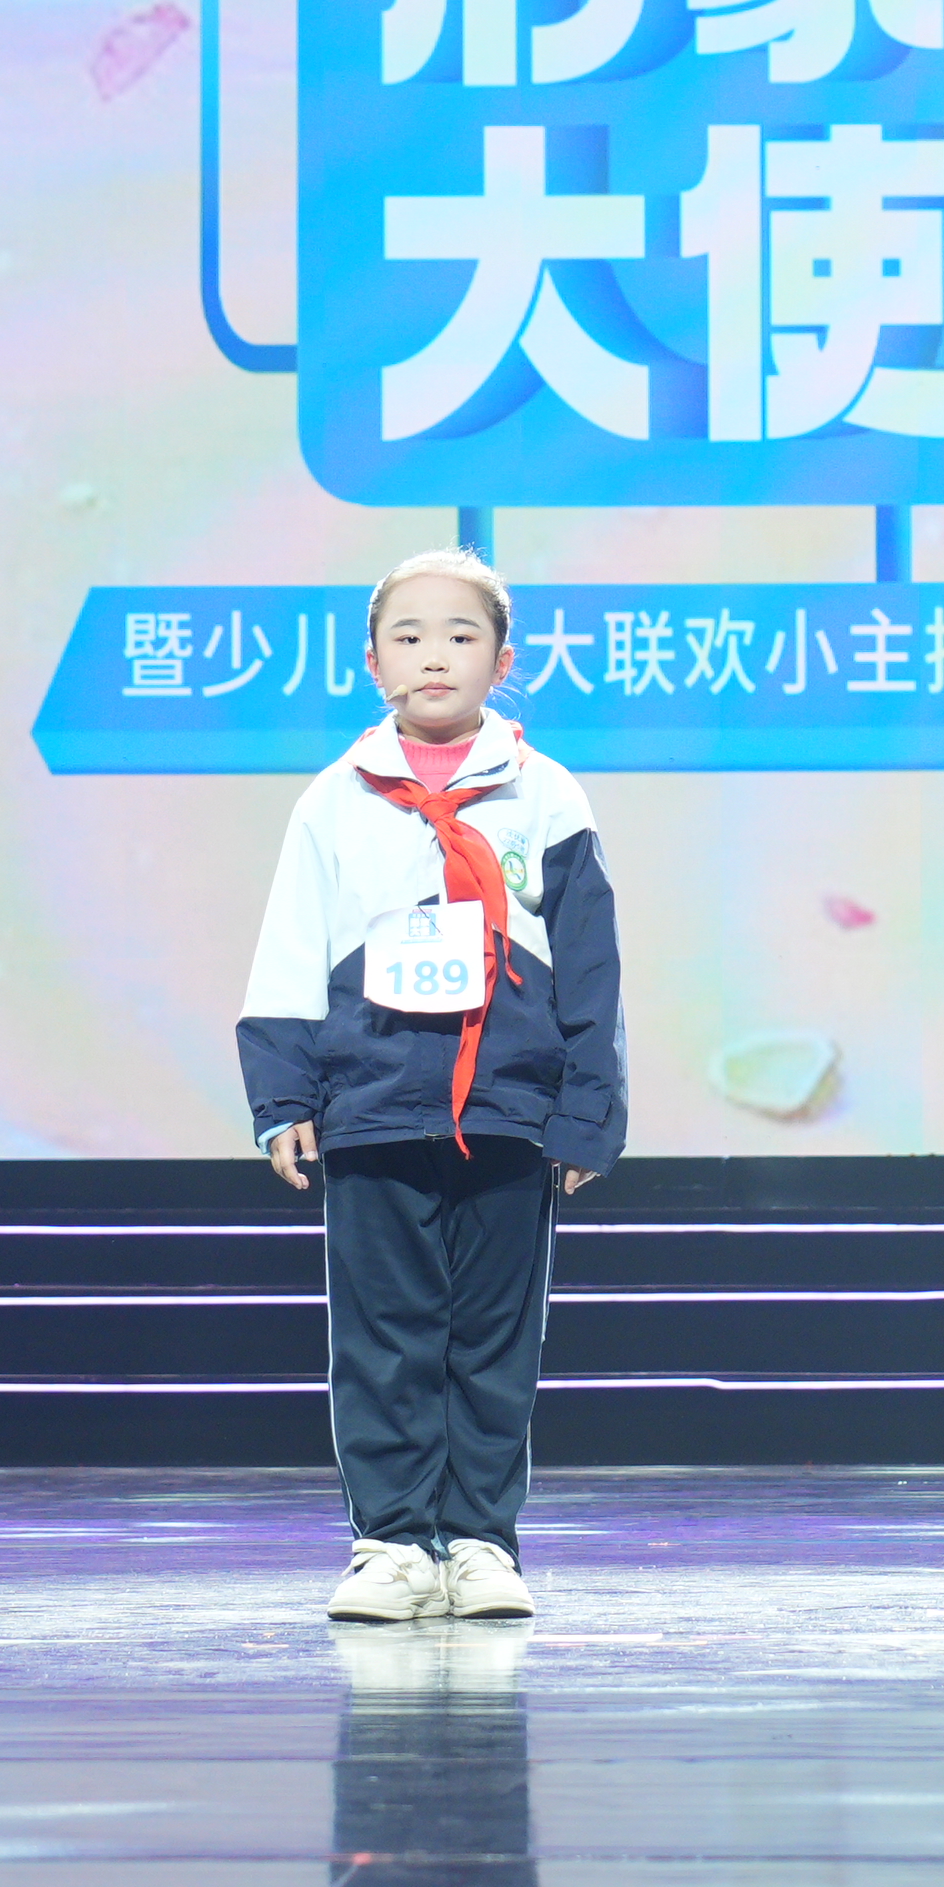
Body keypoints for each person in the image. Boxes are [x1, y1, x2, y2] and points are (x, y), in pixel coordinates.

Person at [238, 547, 626, 1623]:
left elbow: (591, 961)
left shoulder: (546, 794)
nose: (435, 654)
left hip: (507, 1107)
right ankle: (394, 1543)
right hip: (371, 1105)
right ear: (373, 663)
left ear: (504, 660)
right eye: (408, 636)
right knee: (382, 1338)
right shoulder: (334, 801)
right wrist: (283, 1095)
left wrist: (588, 1108)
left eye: (462, 634)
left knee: (495, 1337)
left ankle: (484, 1543)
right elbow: (290, 946)